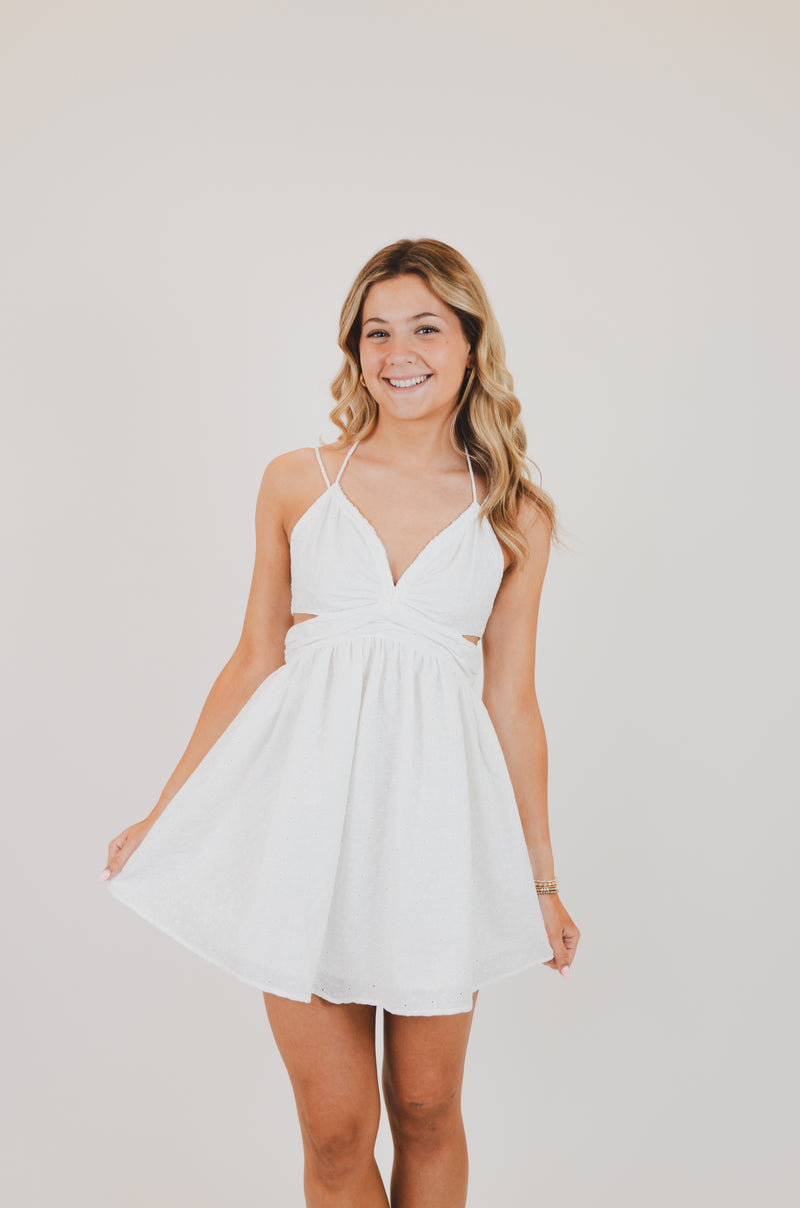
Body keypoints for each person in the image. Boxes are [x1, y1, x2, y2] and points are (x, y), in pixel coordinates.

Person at [100, 236, 580, 1207]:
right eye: (376, 332)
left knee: (427, 1107)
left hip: (439, 835)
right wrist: (166, 809)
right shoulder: (296, 480)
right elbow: (253, 657)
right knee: (333, 1130)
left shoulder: (512, 511)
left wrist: (540, 879)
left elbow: (512, 700)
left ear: (470, 343)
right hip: (303, 830)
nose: (398, 353)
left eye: (425, 328)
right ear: (355, 351)